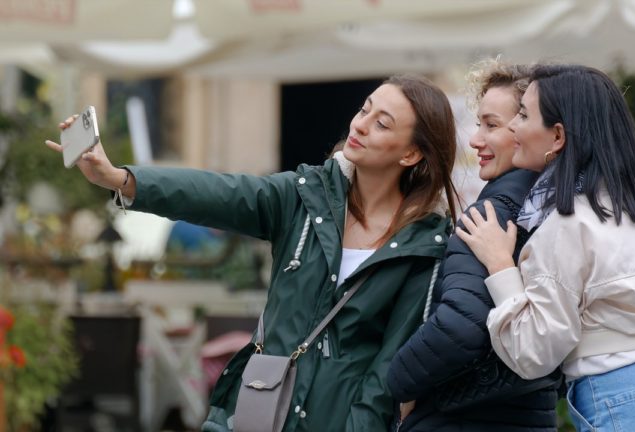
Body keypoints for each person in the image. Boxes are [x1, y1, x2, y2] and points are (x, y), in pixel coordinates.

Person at [46, 75, 459, 432]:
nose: (361, 125)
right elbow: (217, 193)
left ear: (411, 154)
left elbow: (387, 373)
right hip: (261, 411)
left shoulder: (424, 245)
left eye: (382, 123)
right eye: (364, 109)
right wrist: (122, 178)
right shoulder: (303, 196)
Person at [455, 64, 635, 431]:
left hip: (623, 398)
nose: (513, 126)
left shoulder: (566, 224)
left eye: (523, 114)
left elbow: (534, 352)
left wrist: (501, 266)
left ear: (558, 136)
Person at [387, 60, 560, 432]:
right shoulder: (563, 211)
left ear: (530, 129)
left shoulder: (490, 216)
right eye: (479, 123)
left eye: (492, 125)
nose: (475, 139)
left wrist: (394, 383)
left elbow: (460, 326)